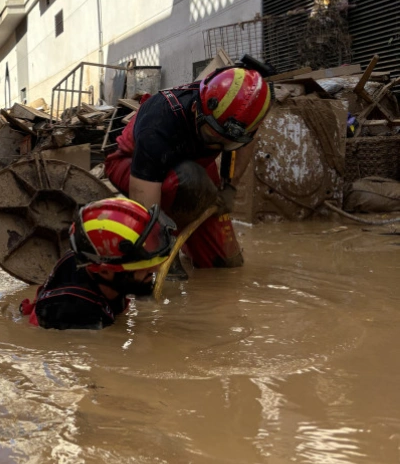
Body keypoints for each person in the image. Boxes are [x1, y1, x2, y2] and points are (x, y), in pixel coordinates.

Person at [104, 65, 272, 272]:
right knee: (190, 181)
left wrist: (230, 186)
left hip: (194, 165)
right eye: (211, 137)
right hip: (130, 163)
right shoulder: (158, 125)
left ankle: (184, 238)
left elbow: (246, 142)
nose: (216, 147)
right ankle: (171, 239)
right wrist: (156, 248)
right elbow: (145, 203)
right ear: (196, 110)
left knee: (226, 264)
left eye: (227, 144)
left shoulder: (240, 120)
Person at [20, 198, 177, 330]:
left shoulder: (91, 261)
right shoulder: (80, 313)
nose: (156, 268)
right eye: (144, 267)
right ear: (105, 272)